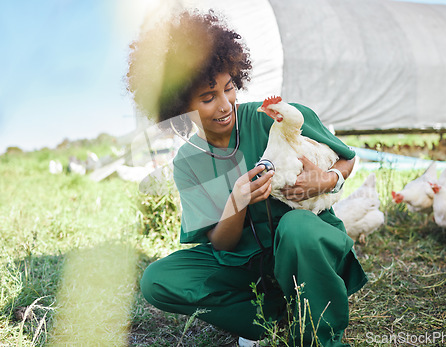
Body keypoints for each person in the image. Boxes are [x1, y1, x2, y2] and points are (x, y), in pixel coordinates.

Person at [127, 9, 367, 347]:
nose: (225, 105)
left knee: (296, 227)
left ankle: (318, 332)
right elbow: (222, 242)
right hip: (245, 266)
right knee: (158, 279)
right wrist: (237, 202)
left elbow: (347, 158)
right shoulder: (188, 161)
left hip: (306, 250)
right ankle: (270, 320)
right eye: (208, 98)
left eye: (229, 88)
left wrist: (326, 180)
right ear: (181, 104)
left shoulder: (273, 118)